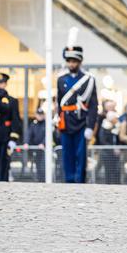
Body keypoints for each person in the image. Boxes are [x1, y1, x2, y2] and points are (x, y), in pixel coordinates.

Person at [56, 42, 98, 184]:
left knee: (81, 155)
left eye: (74, 61)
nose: (71, 64)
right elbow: (59, 103)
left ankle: (79, 182)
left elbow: (93, 105)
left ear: (80, 61)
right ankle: (69, 181)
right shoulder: (61, 80)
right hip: (66, 122)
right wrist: (57, 119)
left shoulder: (88, 80)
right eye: (69, 61)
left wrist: (90, 127)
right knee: (67, 154)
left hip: (81, 122)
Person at [26, 106, 48, 182]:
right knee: (38, 165)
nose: (40, 116)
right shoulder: (33, 124)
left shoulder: (47, 124)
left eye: (41, 114)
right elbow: (29, 134)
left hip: (44, 150)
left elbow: (47, 136)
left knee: (44, 165)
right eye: (38, 114)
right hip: (37, 149)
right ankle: (40, 180)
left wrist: (43, 144)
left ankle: (45, 180)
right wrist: (27, 143)